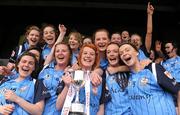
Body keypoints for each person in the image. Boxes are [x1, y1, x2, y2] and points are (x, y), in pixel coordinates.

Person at [119, 42, 180, 115]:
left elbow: (178, 90)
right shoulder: (127, 78)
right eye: (121, 53)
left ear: (137, 53)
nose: (124, 53)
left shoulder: (153, 69)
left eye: (127, 50)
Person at [58, 44, 104, 115]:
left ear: (95, 59)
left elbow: (101, 108)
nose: (88, 56)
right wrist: (67, 86)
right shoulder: (68, 75)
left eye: (92, 54)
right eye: (85, 53)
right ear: (80, 57)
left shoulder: (99, 80)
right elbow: (58, 106)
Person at [38, 42, 72, 115]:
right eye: (57, 51)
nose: (60, 53)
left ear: (70, 55)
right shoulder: (45, 71)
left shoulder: (73, 74)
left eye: (64, 51)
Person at [105, 42, 132, 115]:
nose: (111, 54)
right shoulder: (103, 72)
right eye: (108, 52)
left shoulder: (130, 70)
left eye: (115, 51)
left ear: (120, 55)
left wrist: (117, 69)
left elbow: (140, 65)